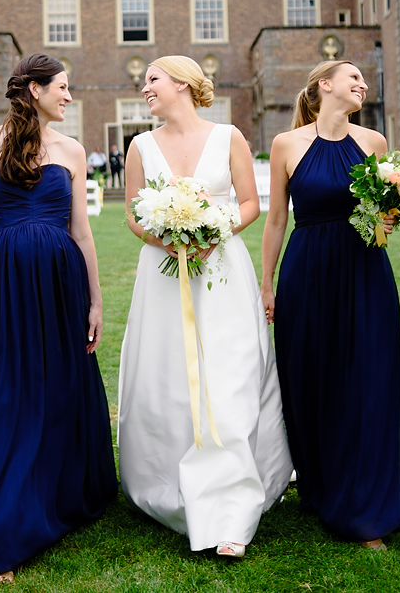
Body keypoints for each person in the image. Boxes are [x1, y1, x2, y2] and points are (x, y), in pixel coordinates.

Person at [118, 55, 293, 558]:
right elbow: (133, 214)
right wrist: (166, 239)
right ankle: (169, 491)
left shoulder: (229, 137)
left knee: (229, 378)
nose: (145, 87)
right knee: (168, 379)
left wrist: (208, 233)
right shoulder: (140, 146)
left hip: (220, 272)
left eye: (152, 79)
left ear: (183, 84)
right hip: (163, 275)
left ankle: (232, 513)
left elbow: (249, 204)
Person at [0, 54, 116, 582]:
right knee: (8, 389)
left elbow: (82, 233)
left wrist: (95, 301)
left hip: (59, 286)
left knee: (55, 385)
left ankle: (58, 491)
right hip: (0, 282)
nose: (69, 96)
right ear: (34, 89)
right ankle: (5, 513)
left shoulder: (71, 151)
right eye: (63, 87)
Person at [261, 60, 400, 551]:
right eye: (353, 77)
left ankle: (367, 504)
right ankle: (321, 481)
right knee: (311, 375)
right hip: (306, 270)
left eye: (365, 78)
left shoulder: (375, 144)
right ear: (324, 85)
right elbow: (276, 221)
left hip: (364, 268)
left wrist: (394, 206)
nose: (363, 83)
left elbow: (382, 219)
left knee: (367, 377)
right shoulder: (287, 145)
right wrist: (267, 283)